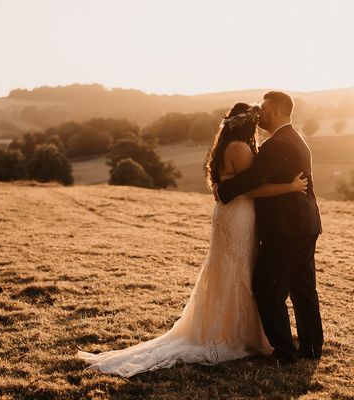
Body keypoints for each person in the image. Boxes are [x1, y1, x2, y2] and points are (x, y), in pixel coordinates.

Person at [77, 102, 308, 377]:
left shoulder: (229, 145)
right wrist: (290, 187)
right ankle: (232, 333)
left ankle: (239, 329)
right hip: (238, 215)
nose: (259, 126)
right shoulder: (241, 149)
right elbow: (250, 188)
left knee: (233, 270)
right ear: (247, 124)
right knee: (237, 271)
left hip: (231, 214)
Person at [215, 91, 323, 364]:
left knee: (267, 287)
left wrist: (223, 189)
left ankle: (285, 352)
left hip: (285, 227)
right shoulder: (297, 139)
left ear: (275, 111)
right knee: (303, 287)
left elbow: (252, 179)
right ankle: (311, 347)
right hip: (306, 224)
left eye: (263, 108)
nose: (258, 113)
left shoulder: (277, 145)